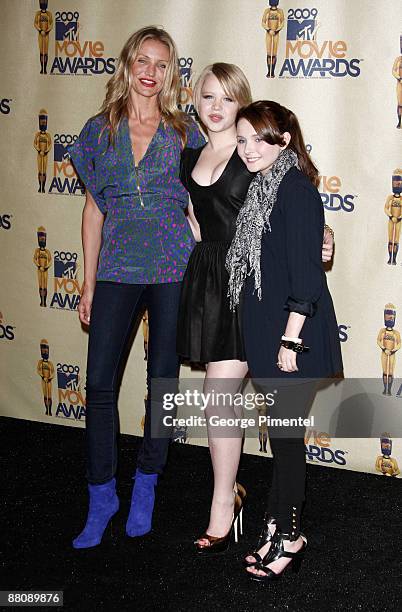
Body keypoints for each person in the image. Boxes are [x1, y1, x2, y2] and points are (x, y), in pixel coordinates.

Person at [177, 66, 334, 554]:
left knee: (270, 410)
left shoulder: (261, 157)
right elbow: (195, 224)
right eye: (207, 96)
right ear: (195, 103)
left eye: (227, 97)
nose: (216, 106)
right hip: (210, 281)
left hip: (257, 286)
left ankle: (266, 520)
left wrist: (323, 244)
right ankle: (234, 502)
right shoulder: (188, 158)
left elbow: (297, 218)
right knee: (219, 395)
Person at [67, 26, 204, 549]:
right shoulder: (97, 131)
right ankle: (102, 494)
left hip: (173, 267)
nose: (150, 71)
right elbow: (94, 208)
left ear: (171, 73)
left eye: (161, 64)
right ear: (127, 65)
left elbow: (206, 196)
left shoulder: (184, 130)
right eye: (142, 60)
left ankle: (146, 481)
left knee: (163, 383)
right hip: (118, 268)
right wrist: (87, 280)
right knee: (100, 383)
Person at [226, 100, 343, 580]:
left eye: (259, 139)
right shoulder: (261, 191)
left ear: (284, 140)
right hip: (271, 333)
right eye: (242, 140)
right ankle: (276, 525)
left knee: (289, 441)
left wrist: (290, 341)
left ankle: (291, 535)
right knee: (282, 437)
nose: (249, 150)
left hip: (294, 338)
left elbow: (305, 276)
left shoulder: (294, 190)